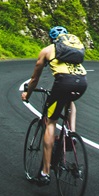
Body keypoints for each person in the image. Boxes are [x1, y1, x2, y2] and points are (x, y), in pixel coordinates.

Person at [21, 26, 87, 186]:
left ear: (51, 39)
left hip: (63, 83)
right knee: (69, 101)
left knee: (50, 122)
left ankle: (44, 172)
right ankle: (71, 134)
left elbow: (34, 79)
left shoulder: (47, 50)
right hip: (82, 83)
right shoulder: (73, 51)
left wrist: (27, 95)